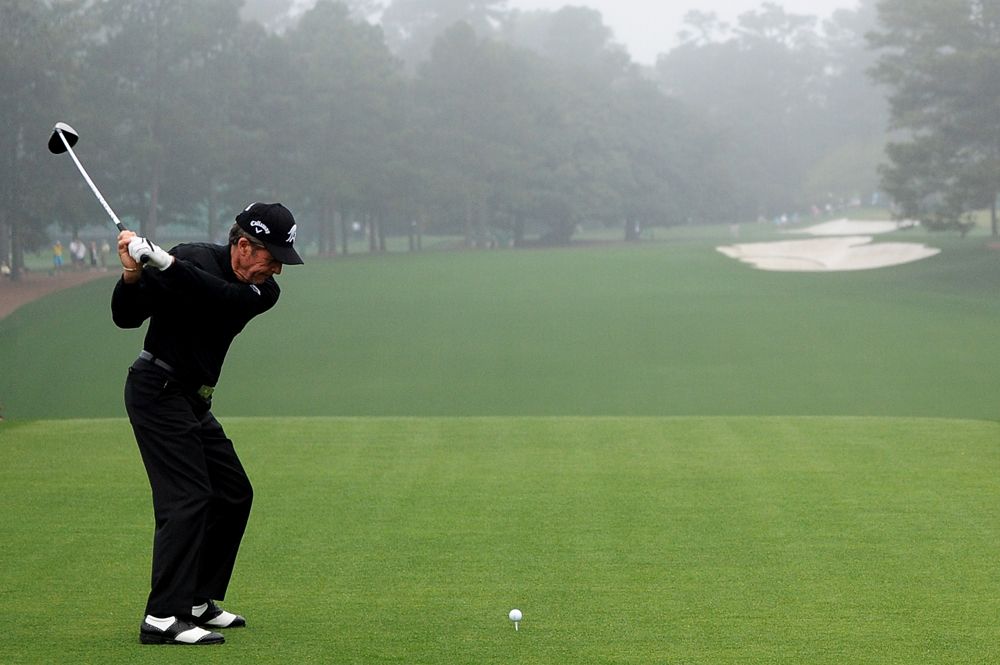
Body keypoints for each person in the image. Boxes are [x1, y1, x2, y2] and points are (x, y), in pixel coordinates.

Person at [112, 202, 303, 646]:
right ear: (241, 246)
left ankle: (197, 600)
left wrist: (164, 262)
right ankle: (162, 616)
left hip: (194, 401)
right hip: (156, 390)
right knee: (188, 497)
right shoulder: (192, 257)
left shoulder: (261, 291)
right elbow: (126, 317)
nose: (276, 269)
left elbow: (217, 297)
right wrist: (134, 275)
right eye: (270, 257)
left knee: (233, 492)